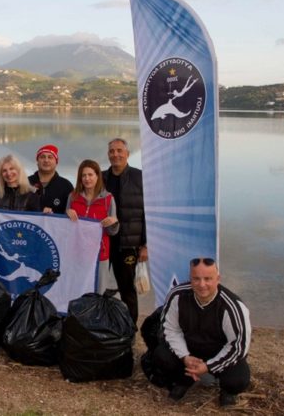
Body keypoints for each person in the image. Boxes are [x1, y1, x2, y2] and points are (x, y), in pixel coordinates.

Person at [152, 258, 251, 407]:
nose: (202, 284)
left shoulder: (232, 307)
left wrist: (208, 366)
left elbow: (238, 347)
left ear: (218, 279)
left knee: (238, 380)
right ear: (190, 278)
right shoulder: (177, 296)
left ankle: (226, 391)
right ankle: (184, 381)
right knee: (161, 356)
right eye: (196, 279)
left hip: (219, 352)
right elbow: (171, 329)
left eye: (208, 279)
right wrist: (185, 356)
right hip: (191, 350)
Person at [103, 138, 147, 323]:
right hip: (103, 242)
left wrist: (145, 244)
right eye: (112, 151)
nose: (116, 154)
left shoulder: (140, 177)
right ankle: (101, 322)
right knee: (99, 285)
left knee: (127, 288)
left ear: (128, 154)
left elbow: (149, 213)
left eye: (120, 151)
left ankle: (130, 327)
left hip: (128, 244)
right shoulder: (101, 178)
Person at [65, 159, 119, 294]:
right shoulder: (73, 197)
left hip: (100, 254)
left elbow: (112, 232)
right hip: (77, 254)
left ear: (97, 176)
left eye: (90, 175)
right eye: (83, 175)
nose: (87, 179)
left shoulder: (108, 199)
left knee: (98, 292)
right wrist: (67, 214)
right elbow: (65, 228)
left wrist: (114, 222)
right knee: (76, 290)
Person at [29, 144, 73, 215]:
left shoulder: (66, 186)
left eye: (50, 157)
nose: (46, 160)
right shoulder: (26, 182)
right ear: (37, 161)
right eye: (42, 157)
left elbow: (71, 211)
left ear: (56, 162)